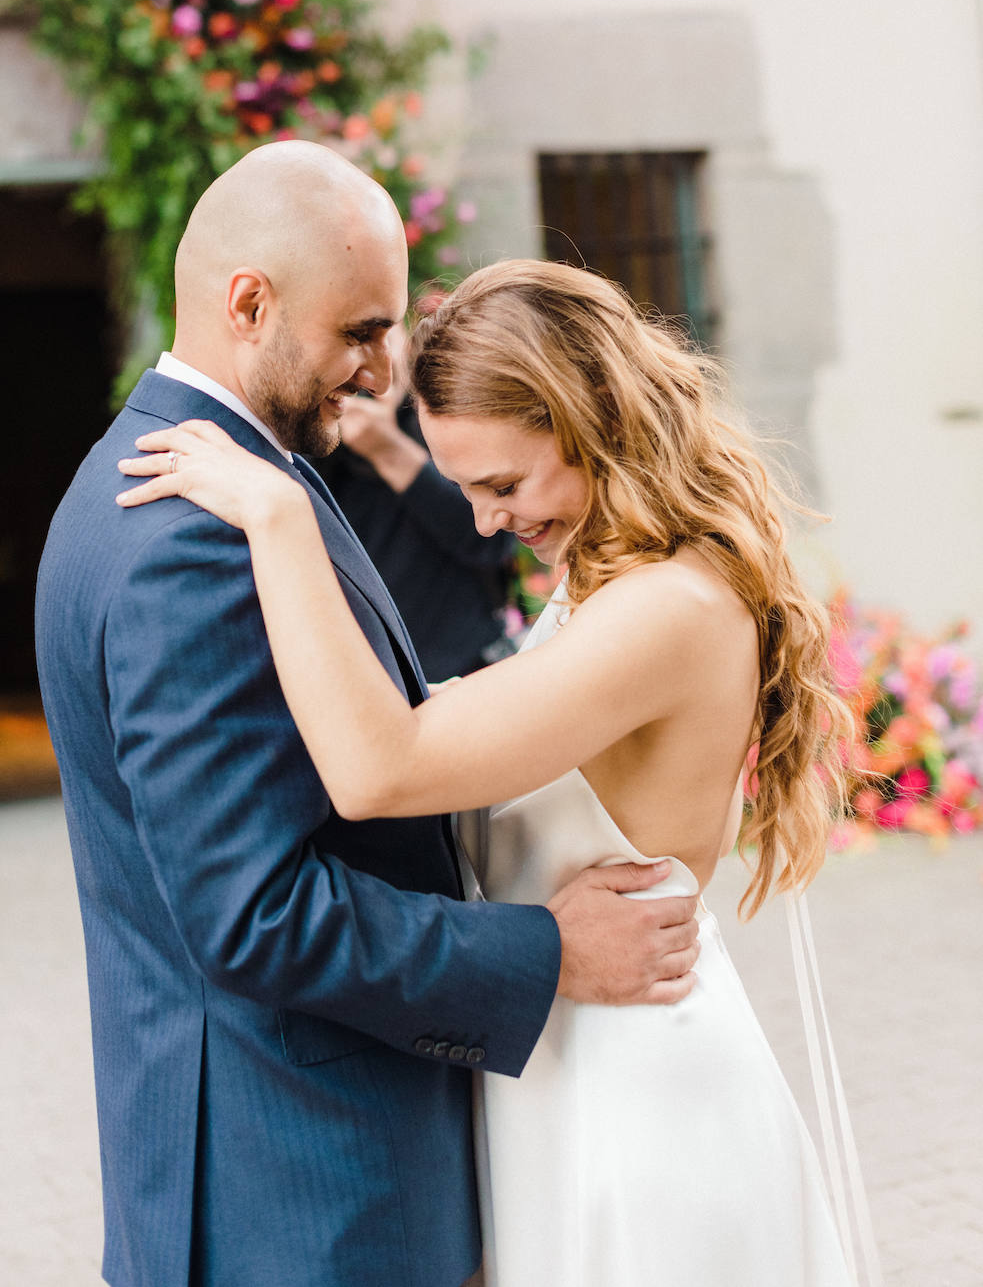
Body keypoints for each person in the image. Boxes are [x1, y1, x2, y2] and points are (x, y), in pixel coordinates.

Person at [117, 256, 871, 1286]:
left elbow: (382, 766)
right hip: (564, 1074)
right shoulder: (617, 587)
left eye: (503, 485)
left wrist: (278, 519)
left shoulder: (667, 611)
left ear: (591, 415)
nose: (482, 522)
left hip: (638, 1110)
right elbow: (429, 723)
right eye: (466, 489)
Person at [35, 147, 702, 1287]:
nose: (386, 368)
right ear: (250, 304)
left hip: (283, 1166)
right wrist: (548, 953)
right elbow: (254, 913)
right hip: (299, 1192)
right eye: (361, 330)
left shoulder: (213, 483)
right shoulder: (191, 539)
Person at [319, 328, 518, 681]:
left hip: (468, 664)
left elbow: (494, 537)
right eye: (356, 341)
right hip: (376, 673)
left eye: (385, 337)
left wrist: (389, 449)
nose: (375, 368)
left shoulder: (439, 418)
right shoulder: (316, 440)